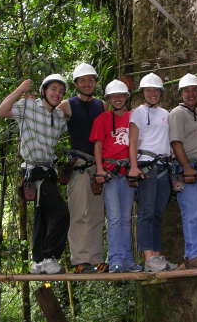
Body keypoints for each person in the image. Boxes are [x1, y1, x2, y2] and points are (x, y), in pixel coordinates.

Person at [0, 75, 70, 274]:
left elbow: (69, 118)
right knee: (61, 213)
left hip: (48, 171)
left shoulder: (58, 116)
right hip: (33, 170)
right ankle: (49, 257)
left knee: (43, 216)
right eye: (54, 89)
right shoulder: (29, 107)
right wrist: (21, 89)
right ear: (44, 90)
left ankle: (38, 260)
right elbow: (2, 111)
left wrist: (67, 110)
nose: (58, 94)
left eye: (61, 91)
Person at [89, 79, 143, 273]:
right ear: (109, 99)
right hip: (111, 172)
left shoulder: (134, 117)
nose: (118, 99)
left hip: (128, 172)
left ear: (127, 97)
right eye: (114, 96)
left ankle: (128, 259)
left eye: (121, 95)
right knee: (114, 218)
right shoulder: (102, 119)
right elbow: (98, 145)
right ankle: (115, 260)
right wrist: (100, 169)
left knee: (127, 217)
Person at [60, 63, 108, 273]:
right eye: (83, 80)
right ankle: (80, 260)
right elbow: (46, 117)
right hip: (78, 165)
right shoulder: (67, 105)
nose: (87, 83)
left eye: (91, 80)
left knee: (97, 214)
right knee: (79, 213)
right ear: (76, 84)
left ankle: (96, 259)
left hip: (98, 166)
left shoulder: (102, 105)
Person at [128, 72, 176, 272]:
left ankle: (157, 256)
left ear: (161, 92)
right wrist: (133, 166)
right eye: (149, 90)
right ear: (143, 93)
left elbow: (170, 142)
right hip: (146, 166)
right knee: (146, 212)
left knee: (157, 213)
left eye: (156, 90)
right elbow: (132, 141)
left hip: (164, 167)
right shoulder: (137, 113)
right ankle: (149, 257)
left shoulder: (166, 114)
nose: (153, 94)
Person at [168, 73, 197, 269]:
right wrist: (186, 167)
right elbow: (176, 142)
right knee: (192, 211)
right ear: (180, 93)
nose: (191, 93)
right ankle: (192, 255)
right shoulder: (177, 113)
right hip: (185, 169)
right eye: (187, 90)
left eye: (195, 90)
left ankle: (195, 253)